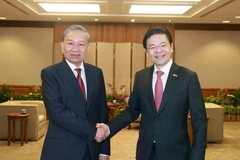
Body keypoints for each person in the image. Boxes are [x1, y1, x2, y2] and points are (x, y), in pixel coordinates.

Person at [97, 26, 207, 160]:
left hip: (176, 152)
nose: (158, 51)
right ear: (146, 52)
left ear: (171, 47)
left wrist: (197, 157)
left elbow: (199, 123)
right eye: (152, 47)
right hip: (146, 151)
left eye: (163, 45)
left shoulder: (188, 77)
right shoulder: (141, 77)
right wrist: (109, 128)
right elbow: (132, 110)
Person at [40, 25, 110, 160]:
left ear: (88, 48)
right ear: (62, 46)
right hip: (61, 149)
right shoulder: (50, 73)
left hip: (92, 149)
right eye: (70, 43)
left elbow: (102, 113)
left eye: (81, 44)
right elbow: (57, 112)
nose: (75, 49)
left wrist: (104, 151)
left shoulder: (96, 73)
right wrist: (93, 131)